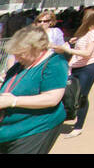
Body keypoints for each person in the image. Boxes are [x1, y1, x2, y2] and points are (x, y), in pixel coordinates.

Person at [0, 25, 68, 154]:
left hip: (35, 129)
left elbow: (52, 98)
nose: (17, 56)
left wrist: (13, 101)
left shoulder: (55, 63)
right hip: (9, 130)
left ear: (37, 48)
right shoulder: (20, 66)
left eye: (21, 53)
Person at [54, 7, 94, 138]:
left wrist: (69, 51)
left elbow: (88, 53)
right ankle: (70, 118)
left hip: (88, 67)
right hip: (77, 66)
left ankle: (78, 125)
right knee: (70, 93)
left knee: (81, 96)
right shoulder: (86, 32)